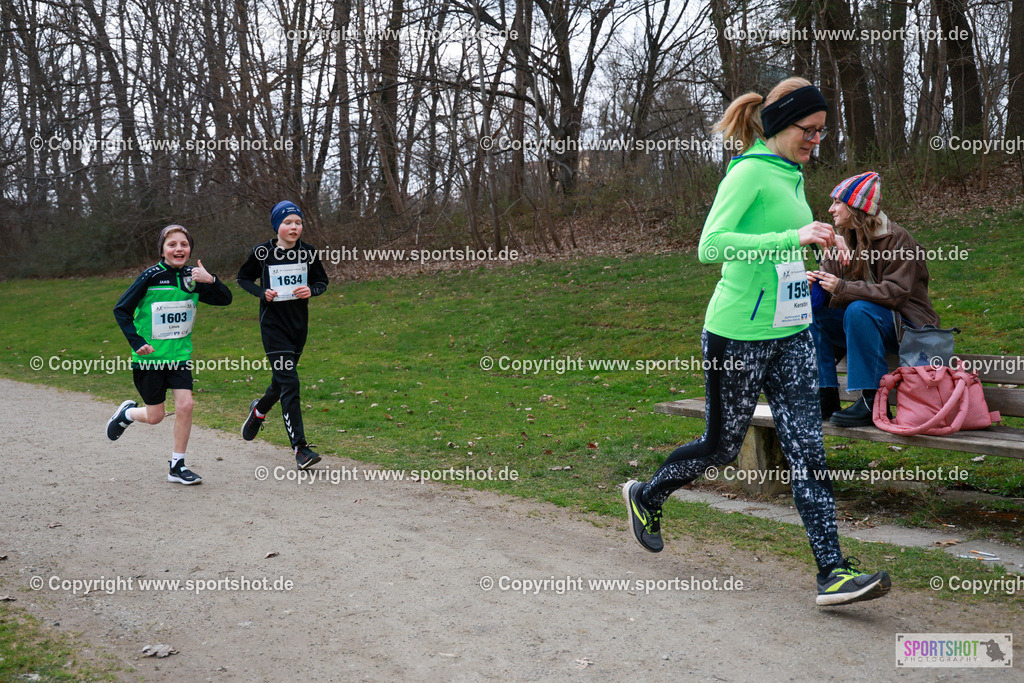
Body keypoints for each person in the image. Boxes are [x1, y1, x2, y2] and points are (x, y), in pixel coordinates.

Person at [623, 77, 891, 606]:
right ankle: (647, 495)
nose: (816, 140)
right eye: (809, 130)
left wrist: (811, 255)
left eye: (821, 131)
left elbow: (774, 247)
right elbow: (711, 246)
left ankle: (832, 572)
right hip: (738, 334)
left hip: (791, 331)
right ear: (781, 124)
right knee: (721, 446)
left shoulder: (791, 173)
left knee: (808, 450)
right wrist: (792, 237)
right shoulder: (747, 172)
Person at [808, 172, 940, 426]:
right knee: (813, 313)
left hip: (908, 328)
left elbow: (896, 293)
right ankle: (825, 395)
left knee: (859, 309)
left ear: (856, 207)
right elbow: (833, 283)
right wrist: (817, 281)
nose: (831, 209)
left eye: (837, 202)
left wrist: (842, 287)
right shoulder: (845, 239)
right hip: (866, 324)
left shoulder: (898, 239)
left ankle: (873, 402)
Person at [107, 225, 233, 484]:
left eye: (184, 244)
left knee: (186, 405)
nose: (178, 249)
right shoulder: (150, 276)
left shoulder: (193, 277)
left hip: (179, 357)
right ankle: (127, 414)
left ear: (190, 249)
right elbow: (121, 310)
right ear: (162, 250)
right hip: (150, 358)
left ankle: (177, 465)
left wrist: (211, 280)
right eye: (172, 244)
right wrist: (137, 341)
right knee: (155, 417)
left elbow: (225, 299)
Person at [237, 201, 329, 470]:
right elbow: (243, 278)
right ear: (277, 226)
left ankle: (259, 410)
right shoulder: (263, 252)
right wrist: (261, 293)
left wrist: (312, 290)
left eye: (298, 222)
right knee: (290, 382)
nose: (294, 227)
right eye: (287, 222)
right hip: (273, 327)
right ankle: (301, 449)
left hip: (298, 327)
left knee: (281, 382)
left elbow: (322, 281)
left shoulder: (308, 253)